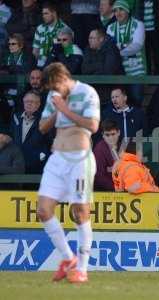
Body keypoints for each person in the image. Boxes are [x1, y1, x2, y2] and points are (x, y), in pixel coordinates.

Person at [37, 62, 100, 283]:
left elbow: (93, 126)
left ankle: (82, 268)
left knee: (79, 212)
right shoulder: (54, 96)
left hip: (80, 158)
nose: (54, 90)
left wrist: (64, 109)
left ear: (63, 78)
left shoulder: (87, 92)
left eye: (56, 85)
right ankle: (68, 258)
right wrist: (56, 110)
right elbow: (43, 127)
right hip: (57, 158)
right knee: (43, 210)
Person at [106, 0, 146, 104]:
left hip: (136, 71)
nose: (118, 13)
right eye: (115, 10)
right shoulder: (110, 28)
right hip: (119, 72)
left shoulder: (138, 24)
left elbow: (136, 46)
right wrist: (126, 44)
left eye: (121, 9)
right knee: (120, 103)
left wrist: (118, 48)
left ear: (128, 11)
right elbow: (109, 48)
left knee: (136, 100)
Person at [11, 90, 51, 174]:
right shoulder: (16, 117)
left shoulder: (45, 119)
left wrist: (41, 156)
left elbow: (49, 142)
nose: (28, 104)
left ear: (38, 104)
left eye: (32, 102)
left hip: (36, 164)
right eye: (26, 101)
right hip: (17, 163)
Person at [82, 28, 124, 105]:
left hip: (111, 91)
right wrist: (100, 65)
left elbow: (108, 71)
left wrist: (93, 69)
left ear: (101, 39)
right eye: (89, 38)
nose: (89, 40)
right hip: (94, 92)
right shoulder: (88, 49)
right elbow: (84, 69)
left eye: (92, 38)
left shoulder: (111, 49)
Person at [32, 2, 71, 68]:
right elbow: (35, 51)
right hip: (41, 65)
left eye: (46, 13)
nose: (43, 16)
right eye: (43, 14)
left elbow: (67, 52)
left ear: (54, 13)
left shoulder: (64, 28)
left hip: (56, 66)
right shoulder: (40, 28)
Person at [93, 119, 121, 191]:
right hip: (106, 192)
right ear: (103, 135)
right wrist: (116, 188)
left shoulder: (125, 146)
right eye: (107, 135)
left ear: (118, 133)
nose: (110, 138)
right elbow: (99, 176)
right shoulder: (99, 150)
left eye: (113, 134)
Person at [136, 0, 159, 74]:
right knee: (146, 54)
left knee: (157, 53)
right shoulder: (140, 3)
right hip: (144, 32)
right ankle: (148, 73)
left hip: (155, 32)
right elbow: (138, 16)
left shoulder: (156, 2)